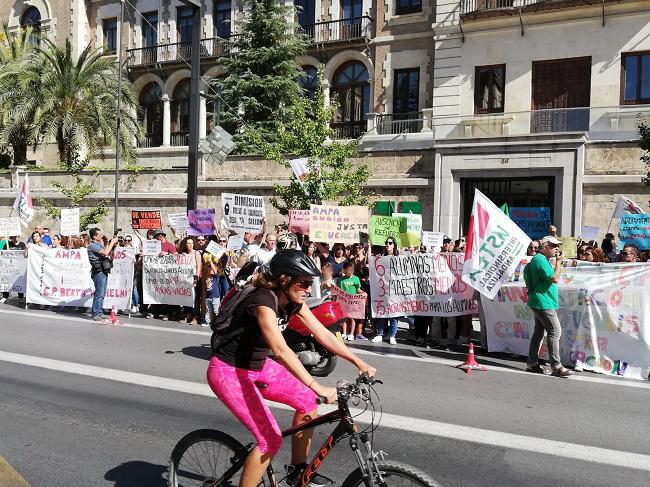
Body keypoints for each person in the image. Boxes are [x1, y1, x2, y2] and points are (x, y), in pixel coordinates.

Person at [206, 249, 376, 487]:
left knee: (307, 401)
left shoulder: (294, 302)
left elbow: (323, 334)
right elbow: (282, 349)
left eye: (310, 284)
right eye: (304, 283)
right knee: (270, 440)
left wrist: (358, 361)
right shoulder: (263, 300)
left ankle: (298, 469)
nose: (308, 289)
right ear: (284, 280)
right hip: (229, 370)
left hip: (258, 365)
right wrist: (318, 386)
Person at [524, 235, 572, 378]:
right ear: (545, 248)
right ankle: (556, 366)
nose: (557, 248)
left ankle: (532, 363)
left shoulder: (539, 259)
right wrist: (559, 262)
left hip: (539, 300)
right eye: (553, 245)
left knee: (539, 332)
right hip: (543, 302)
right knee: (555, 331)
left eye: (557, 245)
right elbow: (555, 279)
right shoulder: (540, 260)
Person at [87, 228, 118, 322]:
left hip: (103, 270)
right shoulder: (92, 245)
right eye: (99, 234)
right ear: (94, 236)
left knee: (102, 293)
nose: (101, 235)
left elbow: (107, 252)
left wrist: (112, 245)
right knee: (99, 293)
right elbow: (105, 252)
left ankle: (99, 312)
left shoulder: (99, 244)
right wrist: (112, 242)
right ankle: (96, 313)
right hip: (98, 271)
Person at [337, 261, 366, 341]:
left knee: (352, 318)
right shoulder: (341, 279)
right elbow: (340, 290)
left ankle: (351, 334)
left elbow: (358, 289)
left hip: (353, 301)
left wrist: (363, 293)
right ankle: (344, 333)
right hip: (344, 301)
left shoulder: (356, 279)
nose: (350, 272)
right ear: (344, 270)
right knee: (344, 318)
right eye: (348, 270)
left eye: (351, 270)